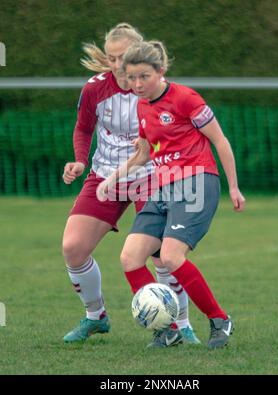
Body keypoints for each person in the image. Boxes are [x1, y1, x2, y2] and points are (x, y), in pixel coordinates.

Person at [97, 40, 246, 349]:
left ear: (160, 72)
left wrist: (233, 186)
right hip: (163, 187)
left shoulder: (186, 98)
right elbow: (143, 155)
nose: (137, 84)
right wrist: (111, 179)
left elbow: (220, 141)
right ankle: (167, 330)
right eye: (132, 77)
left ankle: (220, 319)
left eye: (144, 77)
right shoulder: (141, 105)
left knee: (170, 256)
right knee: (130, 258)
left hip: (196, 182)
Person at [62, 24, 199, 344]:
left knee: (164, 256)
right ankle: (96, 317)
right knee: (73, 248)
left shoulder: (158, 90)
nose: (116, 65)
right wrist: (81, 160)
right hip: (106, 175)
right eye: (111, 58)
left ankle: (182, 326)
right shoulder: (95, 88)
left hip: (150, 175)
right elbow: (83, 129)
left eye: (122, 57)